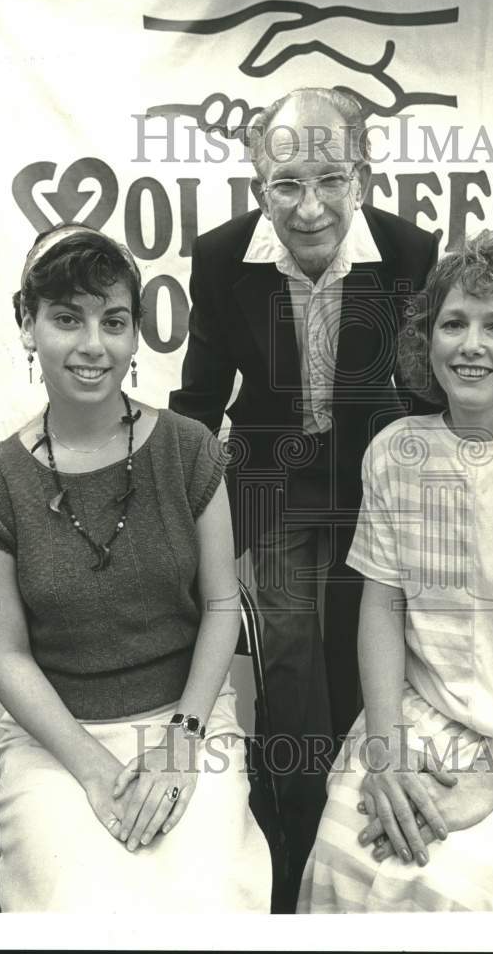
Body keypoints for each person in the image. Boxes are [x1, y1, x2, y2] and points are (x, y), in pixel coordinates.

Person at [169, 87, 437, 900]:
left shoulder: (407, 249)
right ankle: (289, 847)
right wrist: (168, 495)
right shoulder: (220, 258)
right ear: (259, 186)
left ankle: (350, 840)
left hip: (371, 474)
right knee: (287, 668)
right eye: (287, 184)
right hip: (274, 480)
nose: (310, 207)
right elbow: (202, 390)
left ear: (361, 174)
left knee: (362, 657)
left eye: (330, 180)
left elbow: (423, 385)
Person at [298, 230, 493, 912]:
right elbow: (382, 607)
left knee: (457, 882)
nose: (471, 345)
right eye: (453, 323)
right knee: (347, 854)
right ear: (425, 341)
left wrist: (482, 789)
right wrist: (385, 750)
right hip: (416, 718)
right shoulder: (394, 452)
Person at [0, 223, 271, 912]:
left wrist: (182, 743)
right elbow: (5, 652)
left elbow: (221, 607)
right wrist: (91, 769)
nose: (92, 345)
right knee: (81, 898)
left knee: (205, 895)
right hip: (58, 736)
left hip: (187, 718)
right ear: (26, 324)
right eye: (65, 319)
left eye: (113, 321)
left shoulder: (190, 449)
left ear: (136, 333)